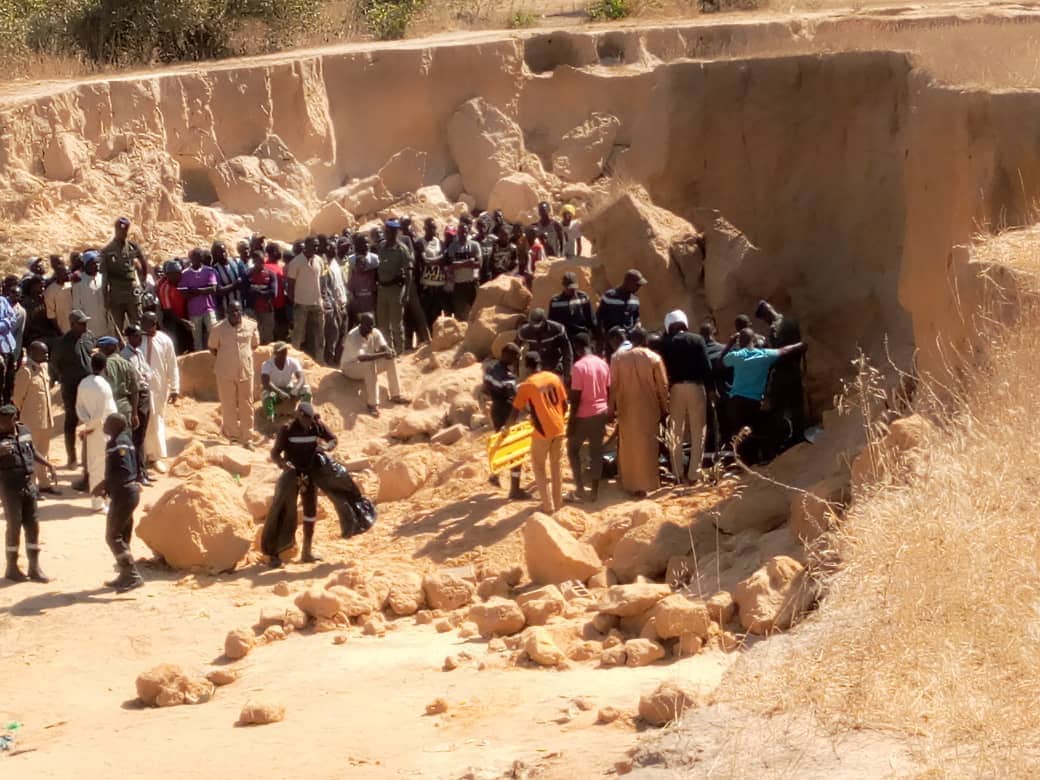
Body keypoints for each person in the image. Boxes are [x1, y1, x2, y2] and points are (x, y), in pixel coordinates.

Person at [722, 328, 806, 464]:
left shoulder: (736, 356)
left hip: (735, 402)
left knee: (740, 434)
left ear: (740, 341)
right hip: (752, 402)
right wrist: (800, 345)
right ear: (753, 340)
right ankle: (763, 457)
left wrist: (730, 344)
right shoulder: (764, 355)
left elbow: (721, 361)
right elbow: (784, 350)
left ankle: (747, 463)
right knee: (760, 428)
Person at [267, 402, 338, 565]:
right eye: (305, 418)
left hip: (310, 473)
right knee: (283, 510)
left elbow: (333, 439)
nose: (308, 422)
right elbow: (275, 453)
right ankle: (274, 554)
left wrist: (326, 447)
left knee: (310, 512)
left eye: (310, 419)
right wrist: (283, 464)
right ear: (298, 415)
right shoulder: (287, 429)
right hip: (292, 474)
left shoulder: (317, 426)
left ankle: (307, 552)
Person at [502, 352, 568, 515]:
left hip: (542, 431)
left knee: (539, 467)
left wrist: (506, 428)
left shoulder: (527, 385)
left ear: (526, 366)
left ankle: (547, 507)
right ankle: (558, 503)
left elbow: (515, 411)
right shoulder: (554, 378)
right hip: (559, 427)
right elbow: (565, 404)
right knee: (556, 466)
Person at [609, 327, 669, 497]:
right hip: (649, 408)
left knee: (629, 446)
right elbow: (662, 386)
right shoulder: (654, 358)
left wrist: (611, 408)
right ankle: (649, 483)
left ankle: (630, 484)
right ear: (645, 341)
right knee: (649, 445)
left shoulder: (617, 358)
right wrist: (665, 407)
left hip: (626, 408)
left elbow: (613, 386)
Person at [657, 310, 715, 485]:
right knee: (698, 432)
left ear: (669, 326)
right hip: (696, 388)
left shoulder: (663, 343)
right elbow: (707, 367)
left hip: (674, 390)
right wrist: (712, 391)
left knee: (676, 432)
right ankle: (694, 474)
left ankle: (677, 473)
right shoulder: (697, 340)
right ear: (685, 323)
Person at [0, 404, 55, 582]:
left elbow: (32, 451)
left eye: (5, 421)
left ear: (14, 419)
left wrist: (48, 464)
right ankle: (12, 567)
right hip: (9, 488)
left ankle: (34, 567)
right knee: (14, 527)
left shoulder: (24, 430)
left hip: (29, 485)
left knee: (33, 526)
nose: (1, 424)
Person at [94, 413, 144, 592]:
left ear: (115, 425)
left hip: (123, 494)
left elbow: (122, 470)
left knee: (112, 536)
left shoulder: (116, 443)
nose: (104, 424)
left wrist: (104, 484)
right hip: (129, 492)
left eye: (107, 422)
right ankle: (125, 574)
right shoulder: (126, 440)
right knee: (122, 536)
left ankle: (132, 576)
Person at [208, 301, 260, 448]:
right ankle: (233, 436)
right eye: (232, 312)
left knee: (247, 403)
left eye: (238, 311)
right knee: (228, 403)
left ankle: (248, 437)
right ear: (227, 313)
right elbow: (213, 348)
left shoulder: (251, 325)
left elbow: (255, 345)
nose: (236, 314)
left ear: (241, 311)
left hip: (245, 371)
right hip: (225, 372)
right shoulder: (218, 329)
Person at [566, 332, 610, 503]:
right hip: (601, 412)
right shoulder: (603, 364)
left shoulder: (578, 367)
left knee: (573, 450)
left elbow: (576, 397)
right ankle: (595, 492)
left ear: (577, 348)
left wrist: (571, 421)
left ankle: (580, 489)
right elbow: (608, 389)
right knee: (596, 452)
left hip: (584, 415)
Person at [756, 299, 807, 445]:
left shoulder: (774, 328)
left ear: (766, 315)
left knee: (777, 407)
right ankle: (799, 435)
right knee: (797, 405)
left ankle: (779, 440)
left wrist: (766, 348)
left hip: (783, 372)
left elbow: (778, 352)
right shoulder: (791, 321)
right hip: (795, 368)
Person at [12, 341, 58, 496]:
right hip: (31, 421)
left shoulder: (44, 368)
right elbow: (18, 399)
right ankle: (32, 487)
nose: (46, 355)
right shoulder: (25, 372)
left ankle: (44, 484)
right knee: (30, 456)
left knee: (44, 454)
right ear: (32, 353)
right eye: (43, 353)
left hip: (46, 419)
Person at [51, 309, 96, 468]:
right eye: (81, 323)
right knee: (72, 419)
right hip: (71, 386)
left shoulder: (88, 337)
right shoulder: (62, 343)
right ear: (72, 325)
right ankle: (72, 457)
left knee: (91, 419)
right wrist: (67, 376)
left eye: (86, 323)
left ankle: (89, 456)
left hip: (89, 385)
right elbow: (55, 365)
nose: (85, 326)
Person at [483, 343, 528, 500]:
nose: (517, 360)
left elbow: (485, 389)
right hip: (507, 412)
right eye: (516, 357)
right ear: (509, 355)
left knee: (499, 441)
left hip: (495, 409)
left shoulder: (489, 370)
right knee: (516, 449)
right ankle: (515, 489)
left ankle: (494, 474)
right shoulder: (508, 377)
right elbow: (515, 398)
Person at [340, 312, 405, 418]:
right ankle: (372, 404)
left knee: (390, 360)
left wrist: (389, 351)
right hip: (350, 368)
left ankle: (395, 395)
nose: (370, 328)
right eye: (368, 325)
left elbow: (384, 346)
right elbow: (363, 358)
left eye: (372, 325)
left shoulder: (374, 331)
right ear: (360, 324)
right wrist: (384, 354)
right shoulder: (353, 336)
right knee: (370, 364)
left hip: (365, 364)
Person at [77, 352, 117, 511]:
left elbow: (79, 408)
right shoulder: (103, 385)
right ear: (104, 366)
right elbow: (101, 413)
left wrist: (87, 426)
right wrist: (92, 426)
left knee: (94, 466)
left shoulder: (83, 383)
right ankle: (102, 501)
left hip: (92, 430)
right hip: (103, 430)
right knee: (104, 466)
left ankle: (98, 501)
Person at [140, 312, 179, 470]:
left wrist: (175, 388)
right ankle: (142, 456)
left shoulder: (164, 340)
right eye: (142, 323)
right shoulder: (137, 339)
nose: (144, 326)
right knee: (143, 421)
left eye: (147, 323)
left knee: (156, 420)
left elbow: (172, 365)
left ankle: (155, 457)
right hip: (141, 388)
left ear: (155, 324)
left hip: (159, 387)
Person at [120, 326, 154, 484]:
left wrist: (145, 376)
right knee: (137, 436)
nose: (141, 339)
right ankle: (138, 473)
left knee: (142, 436)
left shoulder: (138, 352)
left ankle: (142, 470)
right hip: (137, 396)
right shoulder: (125, 356)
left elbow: (149, 372)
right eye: (138, 336)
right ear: (130, 337)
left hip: (145, 394)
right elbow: (134, 380)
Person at [101, 216, 146, 330]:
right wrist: (105, 297)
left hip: (132, 292)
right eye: (120, 230)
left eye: (125, 230)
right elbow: (104, 276)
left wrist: (143, 282)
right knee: (118, 328)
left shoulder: (132, 246)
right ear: (116, 230)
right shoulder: (107, 250)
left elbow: (143, 263)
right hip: (116, 294)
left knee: (138, 324)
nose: (123, 233)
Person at [287, 236, 325, 362]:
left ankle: (319, 361)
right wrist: (294, 300)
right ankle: (293, 362)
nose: (316, 248)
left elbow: (321, 281)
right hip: (301, 304)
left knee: (319, 334)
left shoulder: (319, 260)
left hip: (317, 303)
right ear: (306, 245)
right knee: (298, 335)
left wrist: (322, 298)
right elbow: (290, 285)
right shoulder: (296, 262)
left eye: (317, 245)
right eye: (314, 245)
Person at [376, 220, 411, 354]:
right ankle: (388, 351)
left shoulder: (402, 249)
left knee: (396, 323)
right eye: (386, 230)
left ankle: (399, 351)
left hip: (395, 290)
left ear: (395, 232)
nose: (387, 233)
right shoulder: (382, 246)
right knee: (383, 324)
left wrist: (406, 293)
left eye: (390, 231)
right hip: (382, 289)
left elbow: (409, 273)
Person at [98, 336, 140, 441]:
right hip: (125, 407)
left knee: (111, 442)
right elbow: (135, 391)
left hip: (110, 406)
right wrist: (134, 414)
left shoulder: (104, 365)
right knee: (126, 441)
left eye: (101, 348)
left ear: (108, 348)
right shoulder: (127, 364)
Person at [700, 318, 730, 455]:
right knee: (725, 423)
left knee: (708, 425)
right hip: (723, 390)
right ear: (713, 332)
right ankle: (728, 454)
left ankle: (709, 457)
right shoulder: (723, 349)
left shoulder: (698, 352)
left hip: (705, 392)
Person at [261, 342, 312, 422]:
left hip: (289, 390)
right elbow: (265, 382)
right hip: (275, 392)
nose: (284, 353)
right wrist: (279, 392)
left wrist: (296, 389)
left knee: (306, 390)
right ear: (275, 353)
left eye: (285, 351)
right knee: (266, 395)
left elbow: (301, 377)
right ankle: (270, 418)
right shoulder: (267, 364)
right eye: (281, 352)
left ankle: (304, 413)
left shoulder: (293, 362)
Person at [180, 248, 218, 352]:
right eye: (194, 257)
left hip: (208, 308)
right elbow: (184, 293)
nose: (196, 259)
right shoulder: (185, 273)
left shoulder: (209, 271)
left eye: (199, 257)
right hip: (194, 311)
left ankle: (216, 354)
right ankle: (200, 360)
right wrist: (203, 290)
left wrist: (194, 291)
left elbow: (212, 289)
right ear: (190, 259)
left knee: (214, 332)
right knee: (197, 339)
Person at [517, 308, 573, 379]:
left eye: (538, 324)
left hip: (555, 366)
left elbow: (567, 351)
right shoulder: (525, 331)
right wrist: (516, 368)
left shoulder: (557, 329)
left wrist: (568, 373)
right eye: (533, 324)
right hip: (537, 367)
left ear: (544, 320)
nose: (535, 327)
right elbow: (515, 348)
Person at [548, 272, 596, 350]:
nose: (572, 290)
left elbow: (591, 318)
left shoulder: (583, 298)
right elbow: (552, 323)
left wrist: (595, 336)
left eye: (574, 287)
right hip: (565, 338)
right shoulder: (555, 301)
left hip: (582, 336)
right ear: (564, 286)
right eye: (569, 288)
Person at [446, 217, 482, 321]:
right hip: (458, 285)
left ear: (468, 232)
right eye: (461, 232)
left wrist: (459, 264)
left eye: (465, 232)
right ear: (458, 233)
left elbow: (478, 264)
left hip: (472, 284)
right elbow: (451, 266)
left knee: (476, 313)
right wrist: (468, 263)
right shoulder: (453, 246)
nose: (464, 234)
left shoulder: (475, 245)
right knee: (460, 315)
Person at [417, 218, 449, 329]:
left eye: (434, 227)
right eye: (430, 227)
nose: (432, 229)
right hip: (426, 284)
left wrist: (431, 261)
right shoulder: (420, 242)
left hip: (439, 284)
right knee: (426, 313)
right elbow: (424, 261)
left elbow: (444, 259)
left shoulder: (440, 242)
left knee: (437, 314)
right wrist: (437, 260)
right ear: (425, 228)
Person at [598, 269, 645, 342]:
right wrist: (602, 338)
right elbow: (599, 318)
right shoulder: (609, 297)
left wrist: (637, 325)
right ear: (628, 282)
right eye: (637, 285)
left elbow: (636, 318)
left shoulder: (635, 300)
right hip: (612, 342)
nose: (639, 287)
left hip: (629, 341)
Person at [72, 251, 110, 338]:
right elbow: (77, 306)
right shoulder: (79, 282)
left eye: (97, 263)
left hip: (105, 324)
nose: (96, 265)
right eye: (92, 263)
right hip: (89, 325)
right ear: (85, 265)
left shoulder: (103, 277)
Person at [347, 234, 379, 331]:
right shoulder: (351, 260)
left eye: (367, 243)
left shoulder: (375, 258)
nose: (366, 245)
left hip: (370, 300)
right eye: (363, 243)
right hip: (358, 301)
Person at [247, 250, 277, 344]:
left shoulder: (270, 274)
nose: (261, 263)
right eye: (258, 261)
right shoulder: (248, 274)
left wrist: (257, 291)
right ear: (254, 261)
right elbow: (246, 292)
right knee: (255, 338)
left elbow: (273, 293)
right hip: (253, 311)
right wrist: (263, 291)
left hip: (267, 310)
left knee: (268, 337)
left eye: (262, 260)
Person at [212, 241, 247, 318]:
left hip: (241, 304)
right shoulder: (215, 269)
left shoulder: (236, 262)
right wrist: (235, 285)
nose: (223, 254)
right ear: (215, 255)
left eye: (224, 251)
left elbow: (245, 280)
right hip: (226, 308)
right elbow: (219, 291)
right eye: (219, 253)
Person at [44, 260, 73, 336]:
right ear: (58, 275)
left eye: (69, 273)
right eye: (66, 274)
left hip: (75, 327)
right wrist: (59, 331)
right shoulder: (50, 291)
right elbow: (51, 315)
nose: (69, 275)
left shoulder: (71, 286)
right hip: (63, 329)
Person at [0, 288, 17, 406]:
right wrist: (6, 322)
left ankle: (7, 404)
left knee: (10, 378)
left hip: (9, 346)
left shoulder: (3, 301)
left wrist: (5, 322)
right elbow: (8, 320)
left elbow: (13, 318)